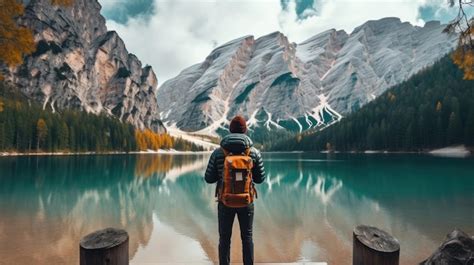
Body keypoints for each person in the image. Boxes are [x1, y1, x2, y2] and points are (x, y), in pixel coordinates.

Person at [204, 115, 266, 265]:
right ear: (245, 131)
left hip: (225, 201)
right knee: (247, 237)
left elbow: (208, 178)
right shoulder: (254, 152)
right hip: (247, 201)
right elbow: (260, 179)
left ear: (230, 131)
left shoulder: (218, 153)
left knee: (224, 239)